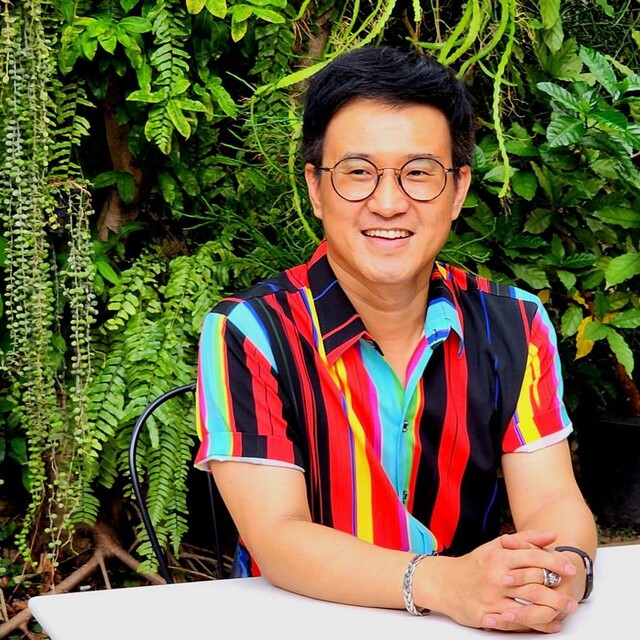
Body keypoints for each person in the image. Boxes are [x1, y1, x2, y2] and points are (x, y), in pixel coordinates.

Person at [194, 45, 597, 633]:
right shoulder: (252, 331)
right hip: (304, 622)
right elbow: (278, 536)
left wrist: (562, 572)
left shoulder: (515, 323)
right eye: (358, 172)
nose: (388, 203)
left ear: (457, 190)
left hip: (466, 625)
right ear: (316, 187)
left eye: (419, 173)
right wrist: (441, 583)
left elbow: (552, 501)